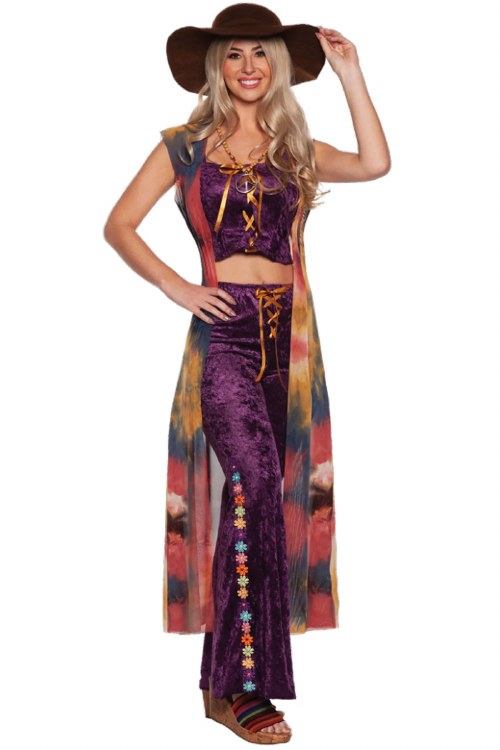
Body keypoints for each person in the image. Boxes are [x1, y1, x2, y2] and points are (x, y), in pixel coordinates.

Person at [103, 2, 390, 744]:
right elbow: (118, 225)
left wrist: (351, 73)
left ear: (278, 65)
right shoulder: (184, 148)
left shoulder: (295, 149)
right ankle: (245, 687)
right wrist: (177, 286)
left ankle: (219, 682)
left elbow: (374, 163)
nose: (249, 66)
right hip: (226, 335)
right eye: (234, 54)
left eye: (261, 53)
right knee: (254, 486)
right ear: (216, 68)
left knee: (265, 498)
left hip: (289, 340)